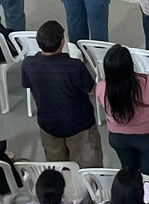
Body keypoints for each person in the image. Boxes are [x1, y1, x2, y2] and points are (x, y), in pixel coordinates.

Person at [21, 19, 101, 166]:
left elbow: (27, 84)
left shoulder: (28, 64)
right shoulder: (74, 67)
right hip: (79, 126)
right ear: (62, 42)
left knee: (60, 172)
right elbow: (91, 90)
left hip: (49, 126)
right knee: (88, 172)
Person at [100, 42, 149, 175]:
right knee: (148, 173)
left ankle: (132, 194)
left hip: (118, 137)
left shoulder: (102, 87)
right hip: (147, 135)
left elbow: (104, 105)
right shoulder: (147, 82)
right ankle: (148, 195)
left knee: (128, 170)